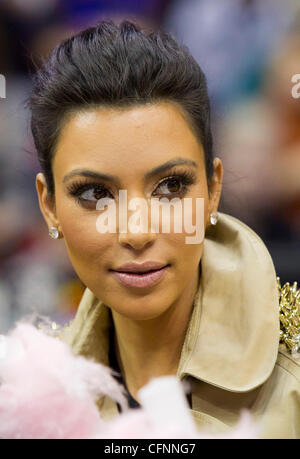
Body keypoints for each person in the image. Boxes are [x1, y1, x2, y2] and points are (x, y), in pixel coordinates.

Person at [30, 20, 300, 438]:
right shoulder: (26, 397)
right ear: (49, 206)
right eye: (94, 193)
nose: (136, 232)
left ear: (213, 190)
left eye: (171, 186)